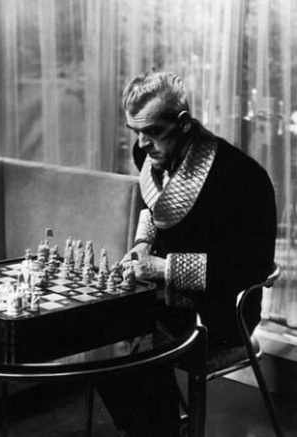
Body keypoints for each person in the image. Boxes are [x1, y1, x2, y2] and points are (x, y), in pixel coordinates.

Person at [96, 72, 277, 436]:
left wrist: (163, 269)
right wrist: (143, 242)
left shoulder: (242, 177)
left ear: (183, 123)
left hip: (224, 312)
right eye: (135, 132)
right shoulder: (147, 151)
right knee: (98, 333)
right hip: (168, 303)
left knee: (137, 348)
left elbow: (249, 267)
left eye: (152, 132)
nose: (142, 144)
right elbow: (154, 206)